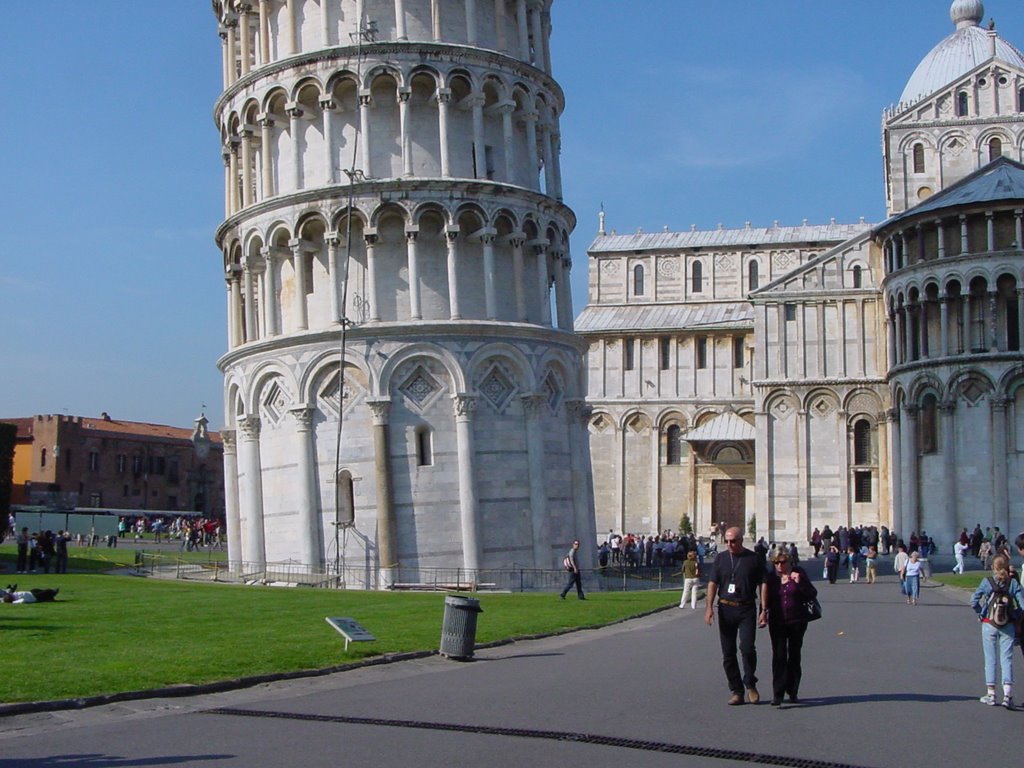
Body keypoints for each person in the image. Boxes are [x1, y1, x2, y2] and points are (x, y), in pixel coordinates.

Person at [704, 526, 766, 705]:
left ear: (741, 540)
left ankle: (750, 683)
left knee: (747, 648)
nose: (729, 544)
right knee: (728, 653)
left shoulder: (753, 559)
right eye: (727, 541)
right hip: (725, 608)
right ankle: (736, 690)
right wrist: (709, 608)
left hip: (746, 608)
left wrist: (764, 609)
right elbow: (712, 583)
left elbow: (764, 584)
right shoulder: (721, 559)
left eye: (733, 541)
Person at [764, 551, 818, 706]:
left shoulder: (799, 573)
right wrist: (764, 612)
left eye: (783, 562)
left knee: (794, 655)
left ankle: (792, 689)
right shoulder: (771, 578)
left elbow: (812, 593)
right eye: (776, 563)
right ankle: (778, 693)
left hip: (797, 621)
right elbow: (765, 598)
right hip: (777, 621)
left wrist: (800, 582)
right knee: (779, 656)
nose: (780, 566)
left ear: (789, 562)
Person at [970, 555, 1022, 709]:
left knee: (990, 658)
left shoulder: (987, 582)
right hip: (1008, 624)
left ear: (993, 567)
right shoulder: (1012, 583)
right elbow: (1022, 604)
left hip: (989, 623)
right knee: (1007, 658)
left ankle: (991, 693)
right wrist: (1017, 615)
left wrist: (981, 612)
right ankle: (1008, 694)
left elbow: (974, 601)